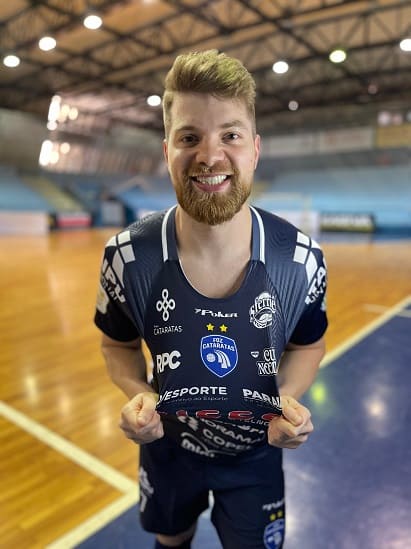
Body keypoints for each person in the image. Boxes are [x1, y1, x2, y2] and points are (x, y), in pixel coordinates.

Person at [94, 49, 328, 549]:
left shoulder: (301, 259)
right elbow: (116, 346)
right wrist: (137, 391)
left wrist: (289, 398)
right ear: (166, 151)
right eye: (189, 137)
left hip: (257, 456)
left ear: (255, 148)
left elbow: (309, 346)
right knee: (170, 538)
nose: (210, 155)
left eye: (230, 135)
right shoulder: (126, 257)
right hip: (168, 452)